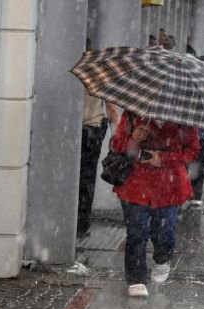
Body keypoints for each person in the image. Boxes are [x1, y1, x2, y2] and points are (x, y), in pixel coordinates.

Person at [111, 111, 200, 297]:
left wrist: (164, 159)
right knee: (136, 231)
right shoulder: (133, 114)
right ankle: (136, 279)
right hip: (136, 183)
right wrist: (133, 138)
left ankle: (162, 258)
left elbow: (193, 151)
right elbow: (118, 145)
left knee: (165, 231)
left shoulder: (185, 118)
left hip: (170, 185)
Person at [77, 38, 118, 239]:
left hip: (74, 130)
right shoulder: (98, 72)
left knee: (73, 176)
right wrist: (114, 132)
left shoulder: (69, 69)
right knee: (87, 176)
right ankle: (82, 222)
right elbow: (110, 106)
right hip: (93, 128)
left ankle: (71, 219)